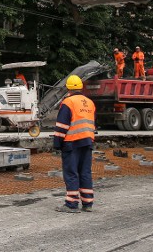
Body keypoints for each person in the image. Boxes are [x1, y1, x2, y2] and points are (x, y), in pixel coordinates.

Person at [52, 75, 96, 213]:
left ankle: (71, 204)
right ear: (81, 87)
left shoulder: (68, 102)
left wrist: (57, 143)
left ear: (68, 88)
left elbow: (62, 126)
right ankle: (87, 203)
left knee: (71, 173)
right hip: (87, 141)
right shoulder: (90, 102)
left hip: (72, 143)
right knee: (85, 172)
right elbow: (93, 122)